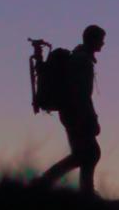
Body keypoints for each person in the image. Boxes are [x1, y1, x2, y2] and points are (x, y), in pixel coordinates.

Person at [34, 25, 105, 196]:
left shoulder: (79, 57)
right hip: (76, 114)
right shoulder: (82, 61)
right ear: (92, 40)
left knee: (83, 154)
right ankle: (48, 184)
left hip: (70, 112)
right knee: (90, 153)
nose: (103, 44)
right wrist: (92, 119)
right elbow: (81, 94)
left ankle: (46, 184)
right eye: (100, 39)